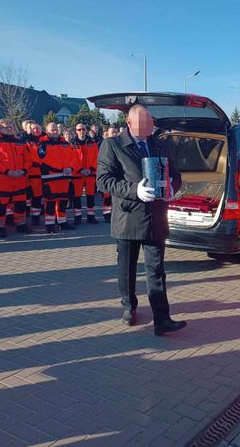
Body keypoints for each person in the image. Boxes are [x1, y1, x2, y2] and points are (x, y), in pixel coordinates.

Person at [96, 104, 185, 335]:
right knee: (127, 269)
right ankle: (129, 306)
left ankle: (162, 319)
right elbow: (104, 181)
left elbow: (175, 173)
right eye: (144, 122)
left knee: (156, 270)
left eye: (150, 122)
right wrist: (134, 190)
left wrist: (172, 188)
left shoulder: (160, 143)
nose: (149, 126)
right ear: (129, 123)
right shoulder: (113, 145)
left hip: (155, 217)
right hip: (128, 217)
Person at [0, 119, 30, 237]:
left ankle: (21, 224)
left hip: (20, 177)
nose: (10, 129)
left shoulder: (20, 142)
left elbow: (27, 158)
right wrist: (7, 171)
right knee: (1, 204)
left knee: (21, 203)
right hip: (3, 178)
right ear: (0, 129)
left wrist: (23, 170)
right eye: (7, 127)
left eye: (12, 127)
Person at [39, 123, 77, 233]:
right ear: (46, 131)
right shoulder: (42, 144)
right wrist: (61, 168)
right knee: (50, 202)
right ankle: (50, 225)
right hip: (51, 177)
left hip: (64, 177)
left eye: (56, 130)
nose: (54, 132)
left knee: (63, 202)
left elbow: (73, 157)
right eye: (52, 130)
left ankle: (62, 222)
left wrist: (70, 167)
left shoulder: (65, 143)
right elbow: (43, 160)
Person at [71, 123, 99, 224]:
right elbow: (71, 159)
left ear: (86, 130)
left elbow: (96, 157)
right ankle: (77, 217)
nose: (81, 131)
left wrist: (91, 169)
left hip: (90, 173)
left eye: (83, 129)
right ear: (76, 131)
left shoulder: (93, 142)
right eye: (79, 130)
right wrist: (79, 170)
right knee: (77, 197)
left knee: (90, 196)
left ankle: (91, 216)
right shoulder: (72, 143)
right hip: (77, 174)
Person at [24, 122, 44, 225]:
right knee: (32, 197)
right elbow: (26, 156)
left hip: (44, 173)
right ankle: (32, 218)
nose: (36, 130)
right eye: (33, 129)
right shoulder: (26, 141)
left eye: (37, 128)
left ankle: (36, 217)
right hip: (31, 173)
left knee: (39, 197)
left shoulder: (44, 140)